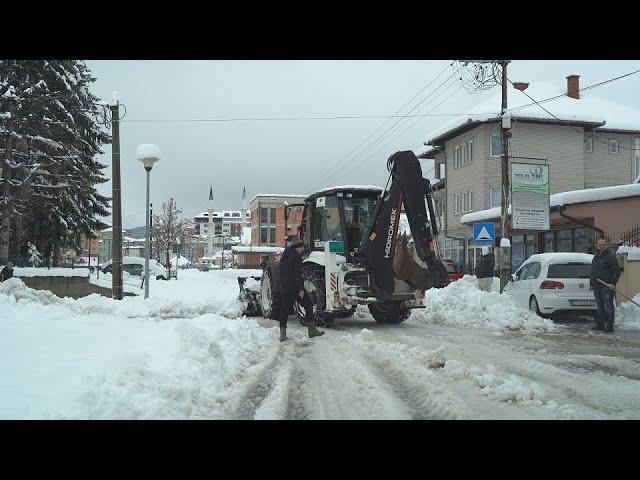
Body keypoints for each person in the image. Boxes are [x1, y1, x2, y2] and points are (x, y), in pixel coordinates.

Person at [277, 238, 325, 342]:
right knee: (308, 305)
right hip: (295, 289)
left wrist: (284, 287)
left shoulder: (284, 257)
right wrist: (301, 289)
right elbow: (298, 274)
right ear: (297, 247)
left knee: (284, 311)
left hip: (285, 289)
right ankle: (312, 330)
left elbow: (282, 274)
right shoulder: (296, 257)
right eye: (302, 247)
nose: (303, 249)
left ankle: (283, 335)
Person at [590, 238, 620, 333]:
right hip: (597, 285)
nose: (602, 246)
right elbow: (593, 271)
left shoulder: (610, 257)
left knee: (609, 306)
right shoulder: (596, 257)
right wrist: (591, 282)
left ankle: (610, 326)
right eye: (600, 245)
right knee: (600, 306)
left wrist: (612, 283)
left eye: (603, 244)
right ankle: (601, 324)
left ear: (606, 245)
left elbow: (616, 271)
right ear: (597, 246)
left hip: (606, 286)